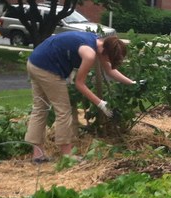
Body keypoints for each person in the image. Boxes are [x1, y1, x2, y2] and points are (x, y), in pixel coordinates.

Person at [25, 32, 135, 163]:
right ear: (105, 52)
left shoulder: (99, 43)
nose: (107, 62)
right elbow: (79, 83)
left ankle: (37, 155)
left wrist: (132, 82)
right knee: (63, 111)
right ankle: (67, 155)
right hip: (47, 69)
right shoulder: (89, 54)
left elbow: (110, 70)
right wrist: (100, 103)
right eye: (108, 59)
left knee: (40, 108)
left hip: (34, 62)